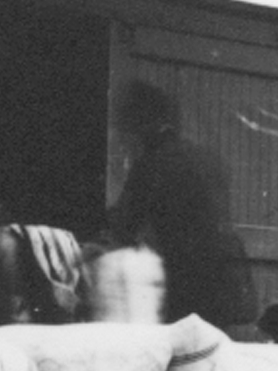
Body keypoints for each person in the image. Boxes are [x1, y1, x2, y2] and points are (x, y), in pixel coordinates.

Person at [108, 80, 256, 330]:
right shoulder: (209, 157)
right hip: (228, 279)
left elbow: (124, 226)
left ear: (140, 126)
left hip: (186, 284)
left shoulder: (152, 163)